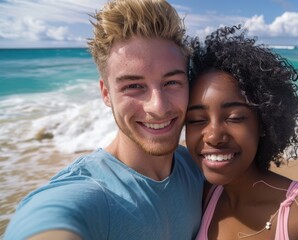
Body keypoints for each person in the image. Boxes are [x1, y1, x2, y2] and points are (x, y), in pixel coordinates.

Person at [4, 0, 204, 239]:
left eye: (171, 82)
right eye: (133, 86)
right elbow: (48, 219)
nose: (158, 107)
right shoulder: (90, 192)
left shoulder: (196, 167)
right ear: (106, 93)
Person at [185, 25, 298, 240]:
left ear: (263, 123)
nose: (213, 136)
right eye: (197, 120)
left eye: (235, 117)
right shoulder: (201, 196)